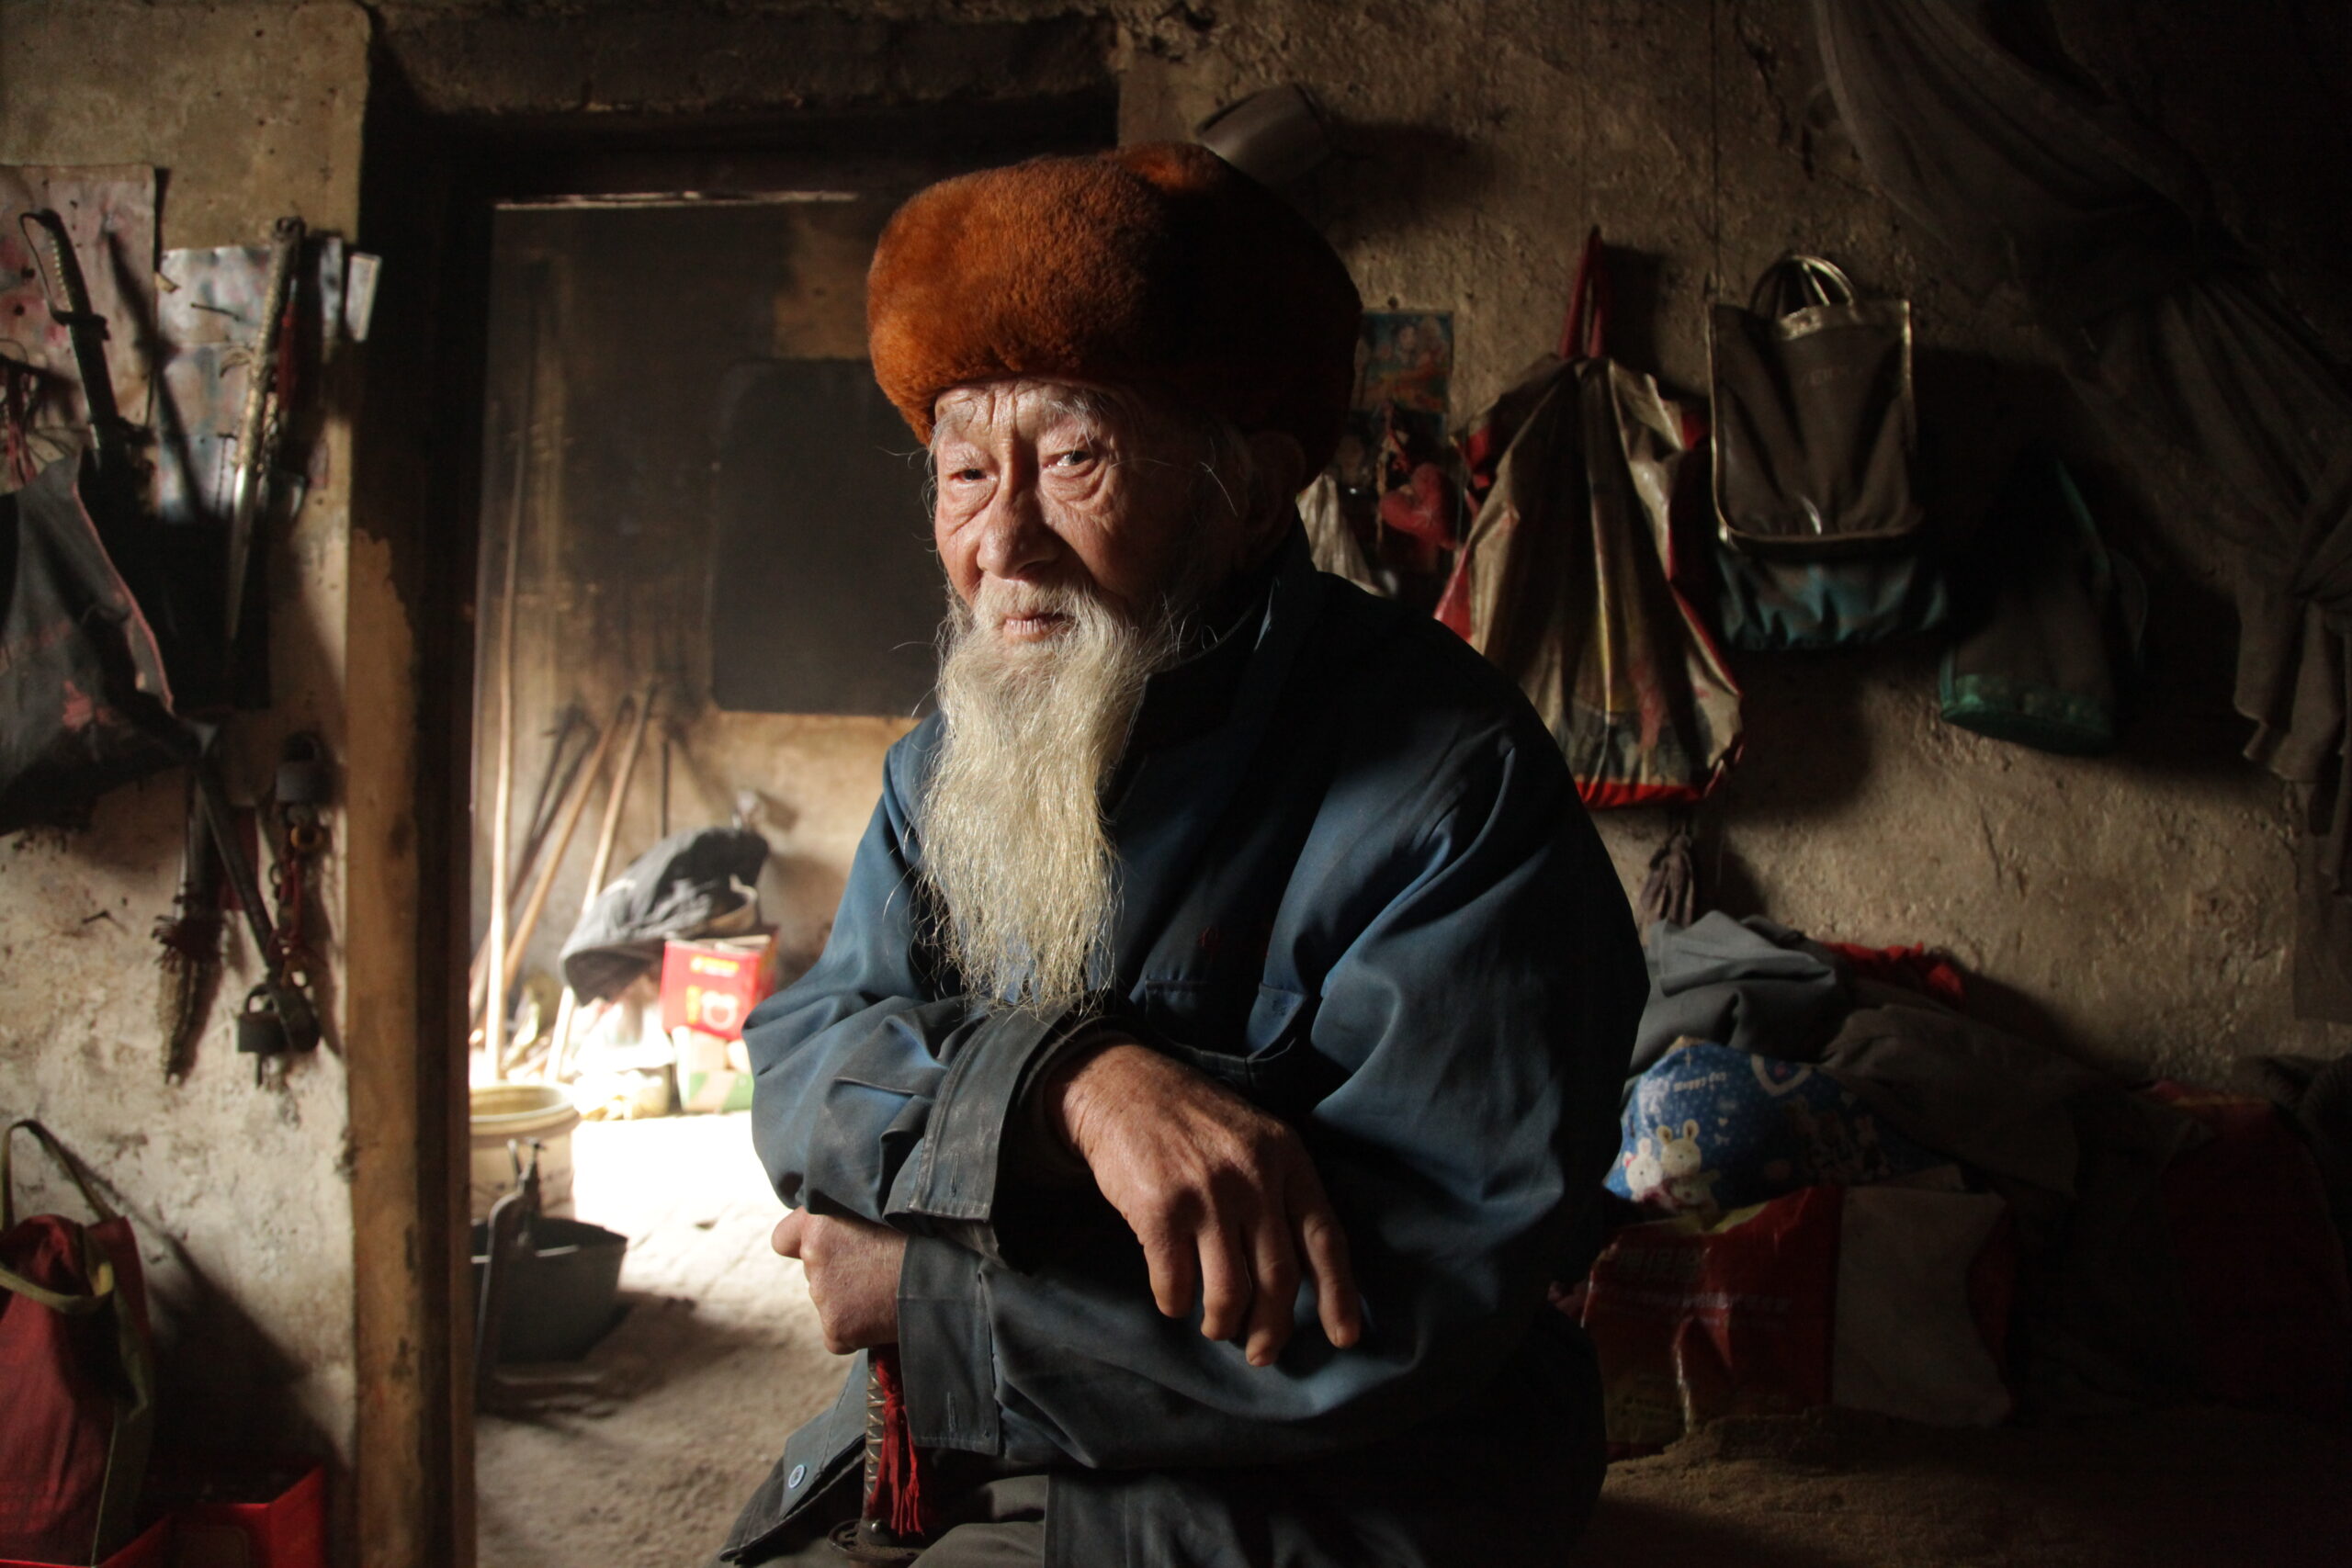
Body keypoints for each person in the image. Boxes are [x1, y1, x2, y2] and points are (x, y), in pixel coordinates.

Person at [715, 142, 1645, 1568]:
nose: (1003, 542)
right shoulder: (957, 756)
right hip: (980, 1430)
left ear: (1252, 491)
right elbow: (810, 1057)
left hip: (1330, 1480)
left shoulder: (1450, 786)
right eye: (967, 470)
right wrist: (1065, 1085)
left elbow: (1416, 1307)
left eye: (1075, 457)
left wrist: (937, 1303)